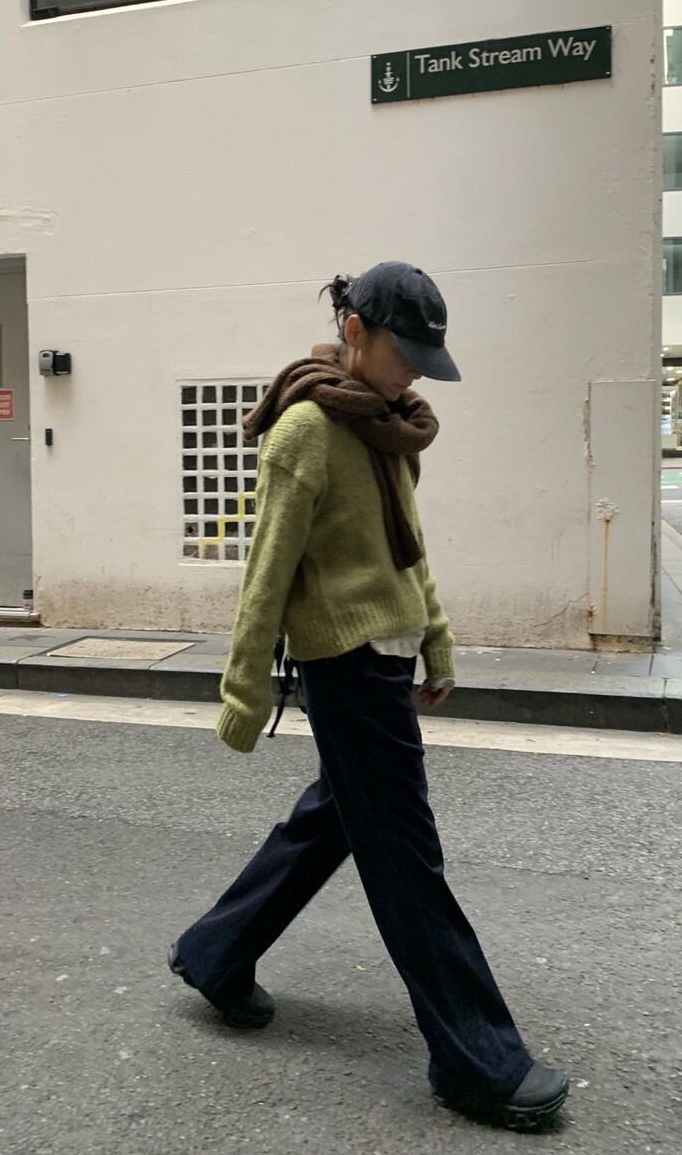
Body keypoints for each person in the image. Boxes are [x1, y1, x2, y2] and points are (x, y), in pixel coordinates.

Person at [167, 261, 569, 1132]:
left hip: (386, 656)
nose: (414, 370)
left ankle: (216, 951)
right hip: (343, 664)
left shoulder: (385, 426)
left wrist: (436, 639)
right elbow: (266, 570)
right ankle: (476, 1059)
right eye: (404, 351)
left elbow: (406, 549)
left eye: (425, 356)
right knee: (406, 856)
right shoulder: (306, 430)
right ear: (354, 330)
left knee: (339, 818)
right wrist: (242, 689)